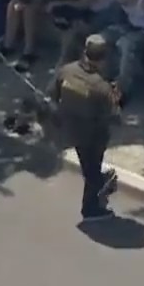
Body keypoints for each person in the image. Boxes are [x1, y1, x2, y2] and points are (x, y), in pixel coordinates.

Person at [50, 34, 121, 220]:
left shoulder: (66, 70)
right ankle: (90, 209)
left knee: (88, 165)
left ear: (85, 52)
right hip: (94, 136)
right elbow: (114, 116)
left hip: (71, 130)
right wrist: (115, 97)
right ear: (104, 58)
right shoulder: (101, 87)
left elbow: (52, 95)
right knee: (91, 170)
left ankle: (98, 180)